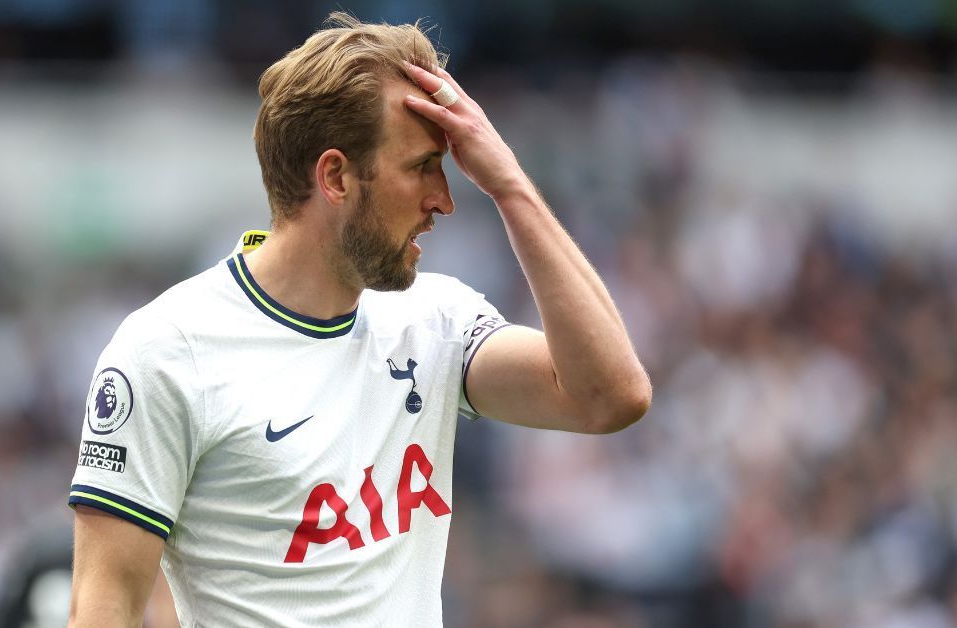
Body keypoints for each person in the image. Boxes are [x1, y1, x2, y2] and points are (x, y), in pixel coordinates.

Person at [67, 12, 651, 627]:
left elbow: (609, 397)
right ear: (336, 176)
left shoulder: (438, 320)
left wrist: (509, 184)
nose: (445, 200)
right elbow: (105, 609)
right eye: (422, 166)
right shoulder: (169, 350)